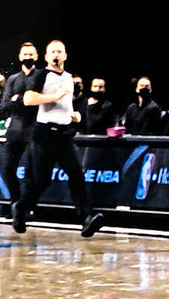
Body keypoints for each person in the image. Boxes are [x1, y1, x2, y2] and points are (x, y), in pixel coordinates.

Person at [12, 40, 104, 237]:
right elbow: (28, 99)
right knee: (41, 181)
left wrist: (74, 116)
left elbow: (65, 105)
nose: (56, 54)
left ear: (65, 56)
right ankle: (21, 207)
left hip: (64, 135)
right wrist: (56, 95)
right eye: (52, 51)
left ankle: (86, 218)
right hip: (44, 134)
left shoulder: (69, 78)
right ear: (46, 56)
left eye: (59, 51)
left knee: (76, 175)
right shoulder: (40, 75)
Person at [0, 42, 39, 211]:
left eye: (31, 54)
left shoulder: (41, 77)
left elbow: (39, 103)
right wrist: (26, 100)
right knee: (8, 168)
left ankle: (27, 208)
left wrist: (18, 99)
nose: (28, 57)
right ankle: (16, 205)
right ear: (20, 57)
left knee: (30, 172)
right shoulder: (13, 79)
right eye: (25, 54)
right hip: (14, 130)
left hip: (34, 130)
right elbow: (6, 104)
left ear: (36, 56)